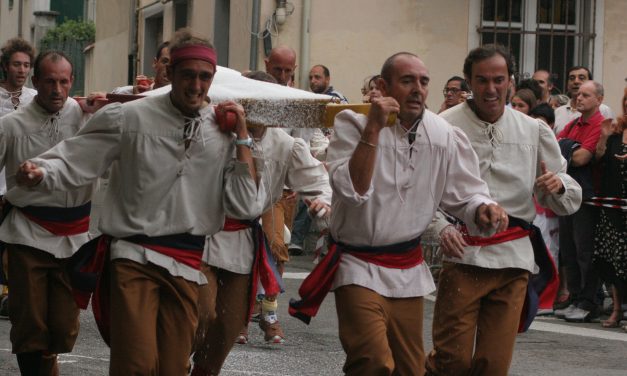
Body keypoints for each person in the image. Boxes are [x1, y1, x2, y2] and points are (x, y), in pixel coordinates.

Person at [15, 29, 263, 375]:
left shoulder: (222, 130)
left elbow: (245, 205)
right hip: (134, 255)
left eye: (204, 77)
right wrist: (42, 170)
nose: (196, 85)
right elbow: (77, 155)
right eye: (188, 75)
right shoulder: (131, 117)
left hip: (187, 260)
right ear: (171, 73)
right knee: (136, 363)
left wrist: (242, 139)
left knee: (173, 366)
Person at [290, 51, 508, 376]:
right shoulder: (353, 123)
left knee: (411, 370)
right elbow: (352, 191)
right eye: (407, 81)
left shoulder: (443, 134)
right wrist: (374, 129)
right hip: (357, 264)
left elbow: (465, 192)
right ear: (383, 85)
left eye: (423, 82)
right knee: (373, 361)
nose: (418, 89)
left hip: (407, 269)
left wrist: (483, 208)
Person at [425, 44, 582, 376]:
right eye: (482, 80)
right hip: (464, 255)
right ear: (469, 81)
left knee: (493, 366)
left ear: (511, 81)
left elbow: (563, 191)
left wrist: (557, 186)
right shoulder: (443, 125)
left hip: (514, 260)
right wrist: (441, 228)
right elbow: (423, 190)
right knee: (451, 362)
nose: (491, 89)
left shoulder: (533, 129)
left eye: (499, 80)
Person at [191, 70, 332, 375]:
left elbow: (320, 179)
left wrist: (323, 199)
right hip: (201, 237)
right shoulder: (211, 131)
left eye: (270, 103)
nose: (263, 109)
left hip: (243, 243)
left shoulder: (285, 144)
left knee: (228, 327)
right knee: (201, 315)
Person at [0, 50, 89, 375]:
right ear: (35, 82)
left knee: (64, 329)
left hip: (75, 237)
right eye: (49, 81)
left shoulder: (84, 117)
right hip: (27, 234)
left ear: (72, 82)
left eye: (63, 81)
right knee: (30, 326)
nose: (57, 89)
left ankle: (46, 364)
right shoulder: (10, 125)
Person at [554, 81, 606, 323]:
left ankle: (589, 300)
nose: (579, 97)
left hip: (586, 196)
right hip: (566, 193)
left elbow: (583, 157)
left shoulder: (598, 124)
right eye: (578, 94)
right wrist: (569, 149)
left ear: (598, 99)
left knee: (585, 249)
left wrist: (566, 149)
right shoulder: (572, 124)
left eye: (586, 94)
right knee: (569, 249)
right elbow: (554, 149)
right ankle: (575, 297)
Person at [0, 37, 37, 320]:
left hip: (20, 181)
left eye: (26, 65)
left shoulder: (34, 99)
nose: (22, 70)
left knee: (17, 240)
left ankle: (14, 294)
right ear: (5, 65)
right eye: (16, 64)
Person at [592, 89, 626, 329]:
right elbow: (599, 160)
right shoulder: (617, 131)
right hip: (611, 206)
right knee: (612, 261)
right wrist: (603, 138)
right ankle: (616, 309)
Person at [554, 66, 613, 135]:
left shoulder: (603, 109)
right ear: (567, 84)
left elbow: (609, 139)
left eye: (581, 78)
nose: (576, 81)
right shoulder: (558, 112)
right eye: (572, 78)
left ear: (590, 82)